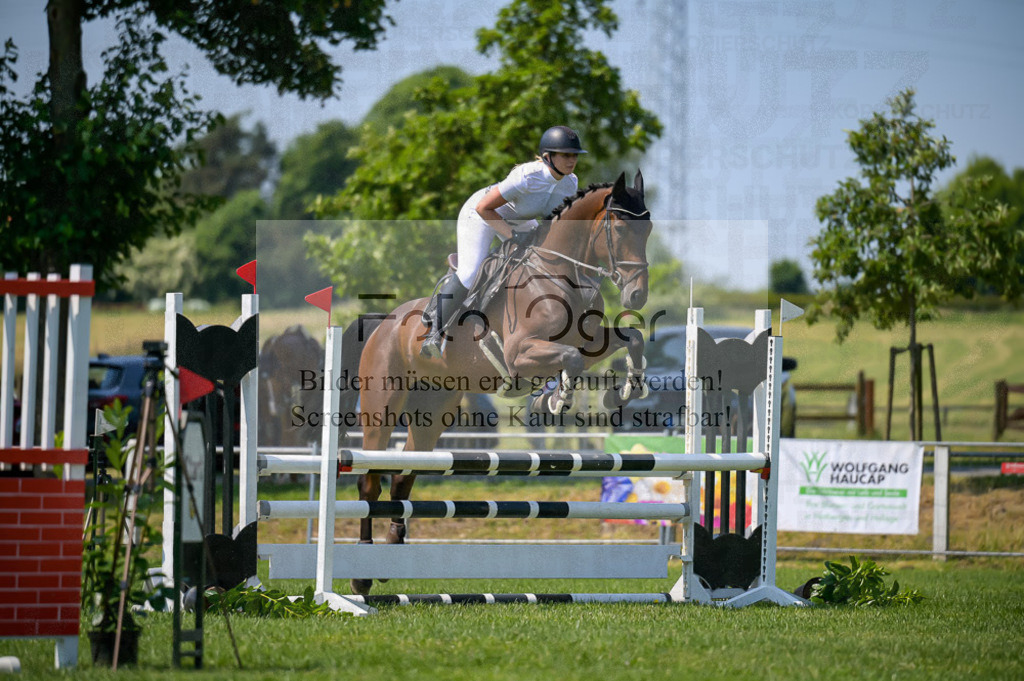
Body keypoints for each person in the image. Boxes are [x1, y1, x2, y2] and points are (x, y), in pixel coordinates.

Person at [420, 125, 588, 358]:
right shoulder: (527, 176)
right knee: (470, 272)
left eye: (575, 155)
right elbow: (484, 207)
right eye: (566, 155)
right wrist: (511, 236)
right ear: (548, 157)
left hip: (519, 220)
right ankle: (433, 331)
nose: (572, 161)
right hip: (482, 214)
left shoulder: (570, 182)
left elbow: (554, 223)